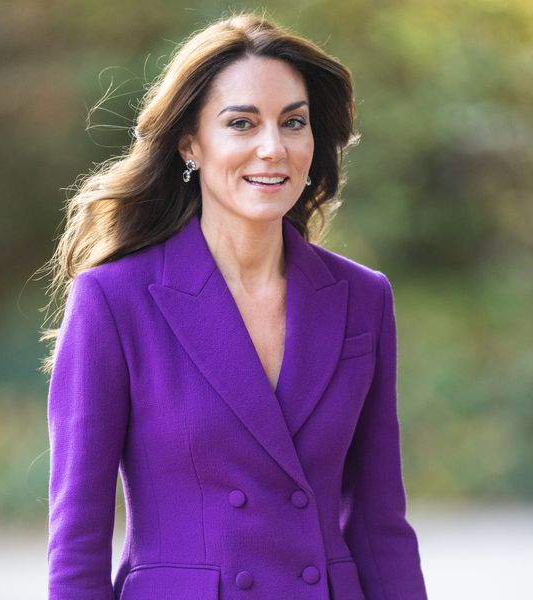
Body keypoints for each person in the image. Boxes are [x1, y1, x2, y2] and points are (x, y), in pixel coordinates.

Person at [41, 12, 428, 600]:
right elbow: (77, 537)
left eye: (293, 123)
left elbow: (380, 525)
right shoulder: (114, 299)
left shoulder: (362, 297)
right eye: (241, 123)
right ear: (190, 143)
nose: (272, 148)